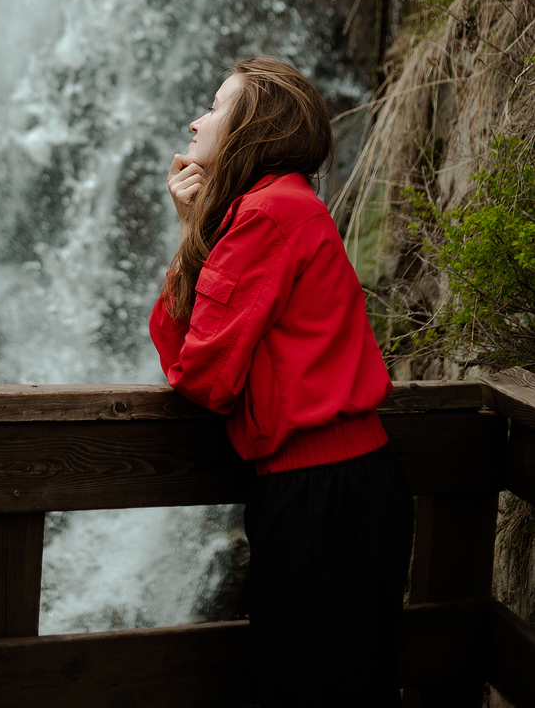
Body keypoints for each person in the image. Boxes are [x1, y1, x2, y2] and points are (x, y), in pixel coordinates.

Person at [149, 56, 413, 707]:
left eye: (215, 107)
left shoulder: (266, 216)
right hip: (345, 481)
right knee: (349, 679)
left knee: (304, 683)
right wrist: (195, 227)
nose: (195, 121)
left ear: (252, 130)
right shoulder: (285, 206)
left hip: (319, 491)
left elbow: (202, 376)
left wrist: (189, 235)